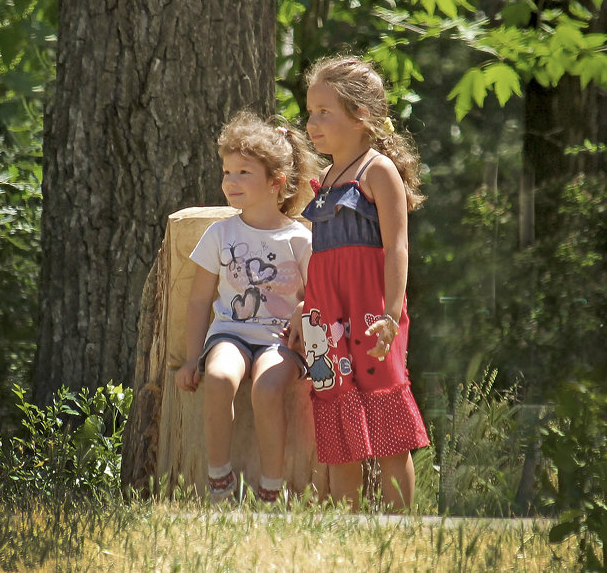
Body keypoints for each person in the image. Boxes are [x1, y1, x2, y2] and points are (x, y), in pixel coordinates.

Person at [294, 55, 430, 512]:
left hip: (372, 313)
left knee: (388, 426)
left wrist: (392, 313)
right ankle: (348, 529)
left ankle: (399, 527)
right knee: (335, 409)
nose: (312, 122)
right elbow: (322, 257)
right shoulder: (327, 179)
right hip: (326, 315)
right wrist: (304, 311)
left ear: (361, 116)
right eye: (310, 112)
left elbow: (397, 248)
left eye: (324, 112)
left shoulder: (377, 172)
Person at [176, 111, 320, 503]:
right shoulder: (220, 233)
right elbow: (200, 300)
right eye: (226, 172)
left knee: (268, 387)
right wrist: (192, 359)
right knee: (220, 378)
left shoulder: (299, 239)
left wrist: (304, 312)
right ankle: (219, 478)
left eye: (243, 173)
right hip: (231, 333)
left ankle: (272, 488)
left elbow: (319, 296)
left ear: (276, 182)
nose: (231, 182)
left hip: (280, 342)